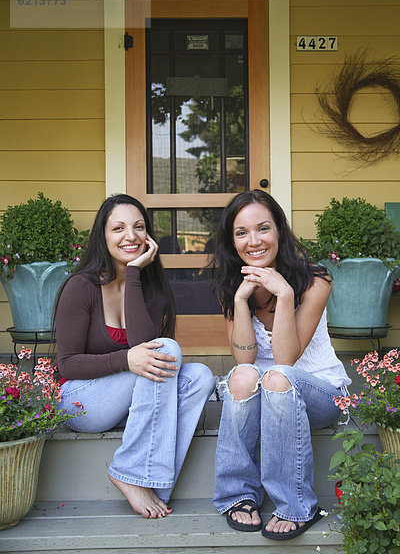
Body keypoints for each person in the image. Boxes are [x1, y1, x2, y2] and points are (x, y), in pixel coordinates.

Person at [53, 194, 215, 519]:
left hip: (128, 402)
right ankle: (128, 471)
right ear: (103, 236)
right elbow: (67, 364)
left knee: (202, 377)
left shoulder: (149, 288)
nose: (131, 236)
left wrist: (133, 275)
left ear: (149, 235)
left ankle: (154, 483)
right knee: (167, 351)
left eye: (139, 227)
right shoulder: (80, 286)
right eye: (119, 228)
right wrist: (124, 361)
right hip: (81, 401)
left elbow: (143, 345)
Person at [211, 190, 351, 541]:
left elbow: (287, 358)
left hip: (321, 393)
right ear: (232, 241)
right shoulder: (231, 286)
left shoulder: (315, 280)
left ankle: (296, 506)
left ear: (279, 232)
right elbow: (244, 358)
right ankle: (238, 494)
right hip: (266, 391)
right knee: (241, 377)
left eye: (263, 229)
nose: (253, 241)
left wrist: (285, 294)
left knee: (277, 376)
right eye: (242, 233)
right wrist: (241, 300)